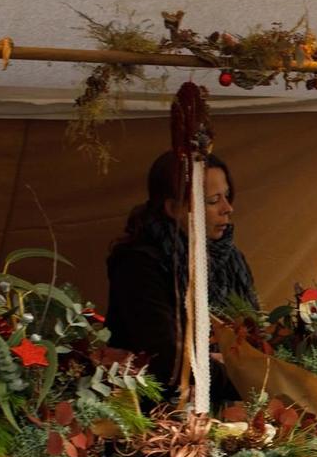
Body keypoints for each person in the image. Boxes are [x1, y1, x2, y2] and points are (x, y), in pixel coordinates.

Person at [106, 151, 259, 391]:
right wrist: (245, 378)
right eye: (212, 201)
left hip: (228, 393)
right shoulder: (139, 264)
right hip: (163, 404)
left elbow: (253, 332)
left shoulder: (230, 258)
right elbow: (166, 358)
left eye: (227, 196)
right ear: (173, 208)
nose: (227, 208)